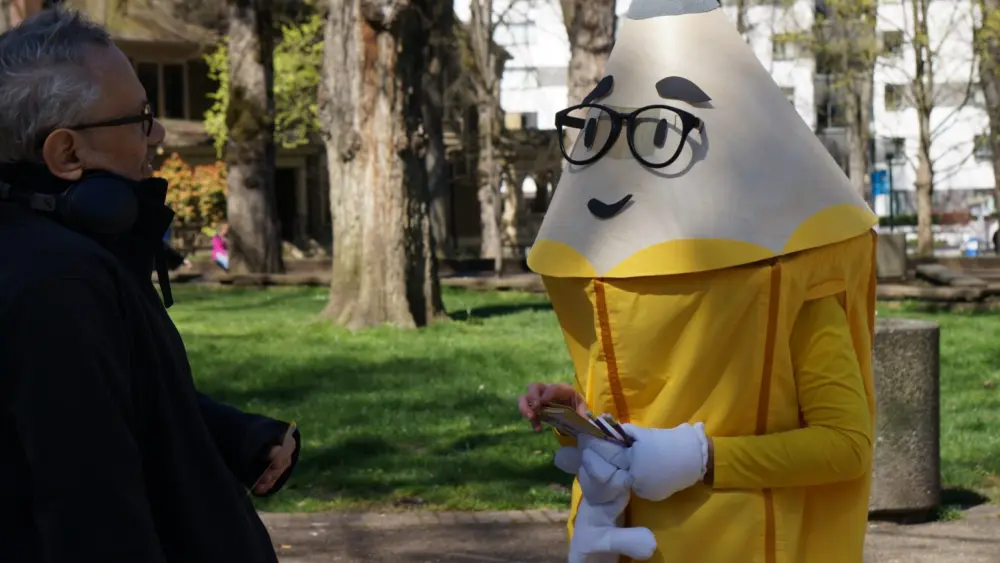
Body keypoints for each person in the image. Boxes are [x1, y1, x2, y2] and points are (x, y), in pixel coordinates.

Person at [517, 0, 877, 562]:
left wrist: (706, 459)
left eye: (661, 133)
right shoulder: (610, 278)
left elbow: (846, 445)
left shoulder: (792, 276)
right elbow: (647, 407)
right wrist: (581, 420)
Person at [0, 8, 300, 563]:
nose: (158, 134)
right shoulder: (60, 286)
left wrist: (234, 435)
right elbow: (92, 517)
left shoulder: (59, 260)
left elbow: (104, 404)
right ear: (67, 153)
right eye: (140, 118)